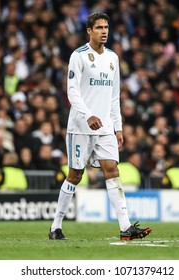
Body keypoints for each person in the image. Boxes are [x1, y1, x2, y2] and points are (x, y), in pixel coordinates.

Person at [49, 12, 151, 241]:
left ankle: (126, 227)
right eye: (99, 28)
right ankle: (56, 226)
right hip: (81, 127)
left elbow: (115, 97)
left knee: (112, 170)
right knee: (75, 175)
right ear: (89, 31)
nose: (104, 31)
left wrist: (118, 127)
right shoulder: (79, 56)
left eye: (106, 27)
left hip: (105, 127)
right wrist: (88, 115)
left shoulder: (113, 58)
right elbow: (72, 91)